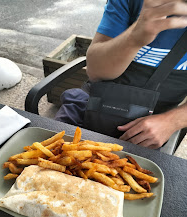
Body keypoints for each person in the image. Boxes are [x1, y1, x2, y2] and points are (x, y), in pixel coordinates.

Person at [55, 0, 187, 149]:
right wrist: (134, 38)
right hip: (92, 104)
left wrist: (173, 121)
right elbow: (96, 72)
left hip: (154, 126)